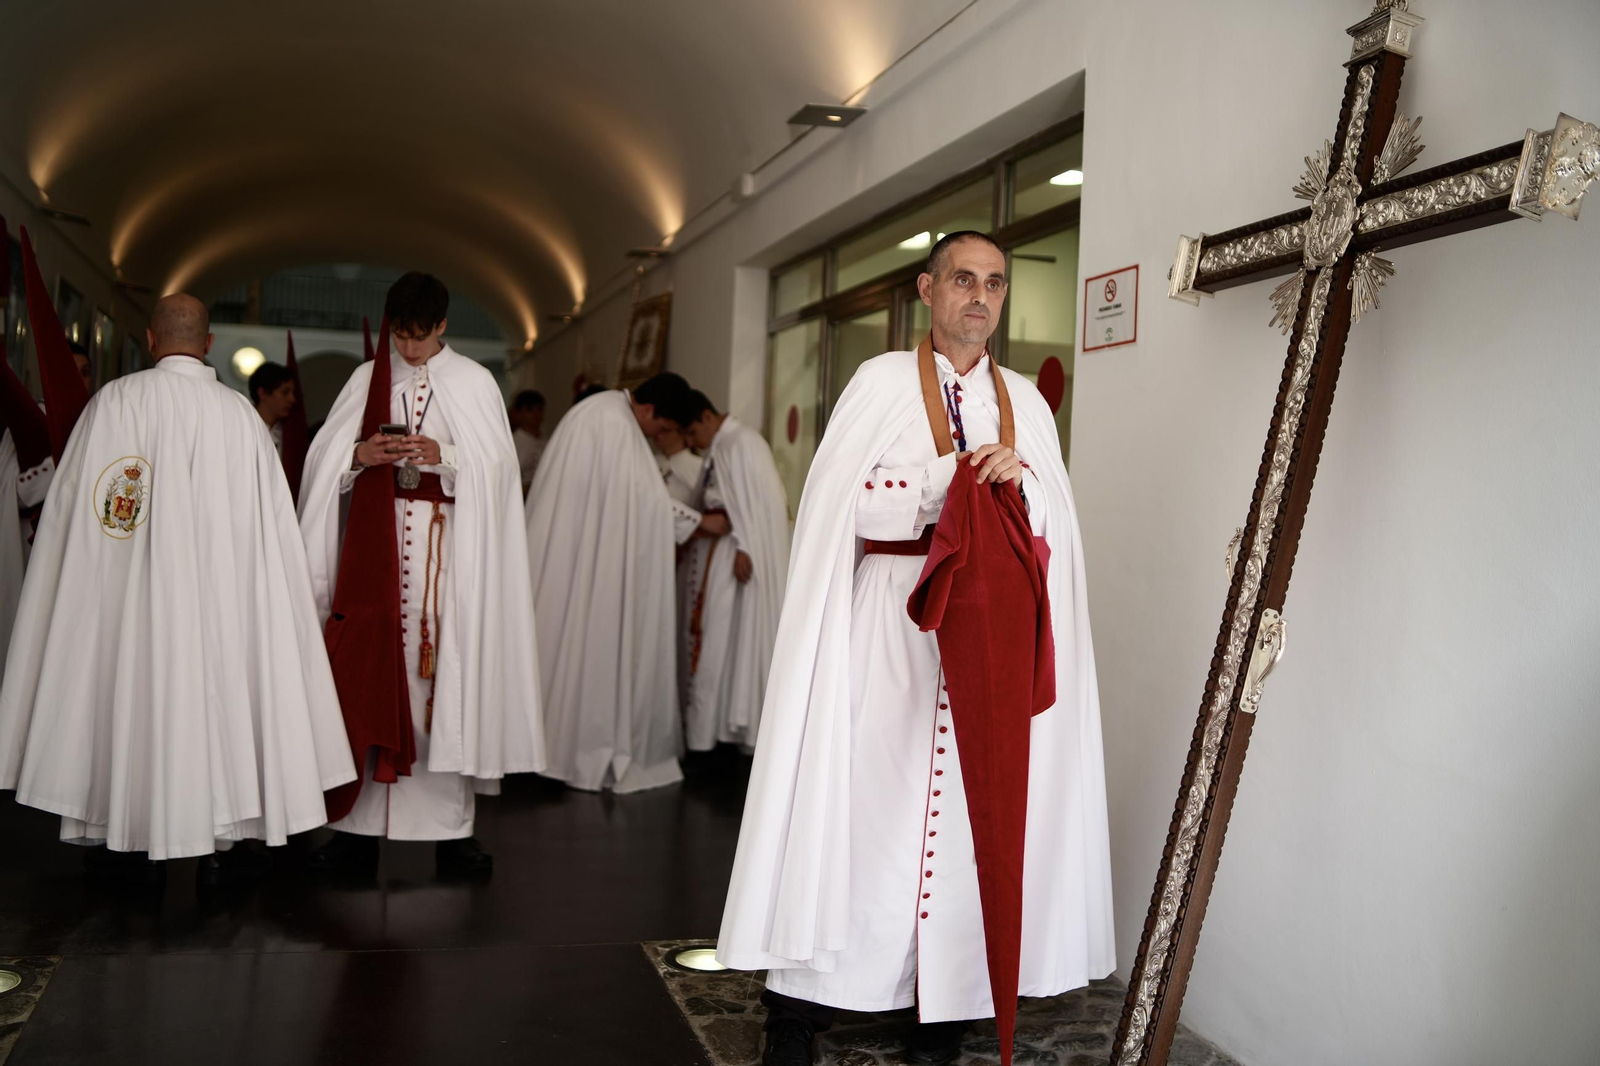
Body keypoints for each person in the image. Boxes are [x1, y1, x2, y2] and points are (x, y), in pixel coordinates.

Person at [717, 233, 1114, 1065]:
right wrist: (948, 486)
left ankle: (943, 1013)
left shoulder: (1028, 406)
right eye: (963, 280)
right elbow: (840, 507)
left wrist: (1021, 487)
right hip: (887, 635)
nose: (980, 296)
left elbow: (1059, 530)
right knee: (859, 816)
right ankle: (799, 1013)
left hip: (989, 650)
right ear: (928, 291)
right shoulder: (880, 383)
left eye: (996, 284)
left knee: (970, 831)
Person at [0, 294, 356, 886]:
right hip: (223, 600)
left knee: (129, 695)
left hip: (133, 596)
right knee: (222, 701)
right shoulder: (242, 418)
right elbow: (270, 527)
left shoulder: (114, 403)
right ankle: (225, 837)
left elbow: (76, 515)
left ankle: (123, 840)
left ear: (149, 339)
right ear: (209, 344)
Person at [298, 273, 544, 875]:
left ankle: (451, 832)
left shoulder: (475, 382)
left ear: (441, 326)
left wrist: (445, 455)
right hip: (378, 557)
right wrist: (361, 455)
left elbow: (500, 472)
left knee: (441, 686)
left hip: (445, 558)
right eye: (398, 337)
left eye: (418, 337)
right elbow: (321, 457)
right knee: (370, 676)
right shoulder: (368, 378)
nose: (407, 350)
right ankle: (354, 830)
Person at [525, 372, 725, 792]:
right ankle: (568, 748)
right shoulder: (613, 424)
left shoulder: (602, 413)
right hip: (582, 557)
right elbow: (644, 503)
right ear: (649, 410)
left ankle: (549, 745)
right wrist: (701, 523)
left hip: (573, 553)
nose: (658, 437)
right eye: (663, 428)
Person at [677, 390, 790, 754]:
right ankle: (710, 733)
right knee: (717, 643)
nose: (692, 443)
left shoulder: (743, 442)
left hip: (738, 557)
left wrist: (746, 545)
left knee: (730, 642)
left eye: (692, 434)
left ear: (707, 417)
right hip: (721, 552)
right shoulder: (724, 443)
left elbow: (761, 507)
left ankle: (731, 734)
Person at [248, 360, 296, 458]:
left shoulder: (289, 434)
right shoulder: (245, 427)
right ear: (263, 393)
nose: (292, 399)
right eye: (285, 392)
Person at [508, 389, 546, 495]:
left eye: (539, 409)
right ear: (520, 412)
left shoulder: (546, 442)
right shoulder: (513, 442)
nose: (536, 414)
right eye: (530, 410)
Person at [654, 425, 703, 507]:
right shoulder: (649, 461)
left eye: (665, 430)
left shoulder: (699, 466)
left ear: (682, 434)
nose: (658, 434)